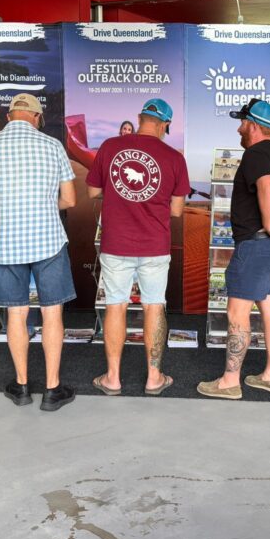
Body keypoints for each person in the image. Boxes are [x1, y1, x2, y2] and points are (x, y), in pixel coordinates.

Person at [0, 93, 77, 411]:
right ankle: (52, 389)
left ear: (9, 117)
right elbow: (70, 200)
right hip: (48, 242)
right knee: (51, 313)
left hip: (6, 245)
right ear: (37, 117)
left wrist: (4, 217)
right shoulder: (52, 146)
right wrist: (44, 207)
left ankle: (20, 387)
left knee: (16, 314)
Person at [86, 98, 189, 396]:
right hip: (155, 245)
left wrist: (119, 196)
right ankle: (154, 378)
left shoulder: (109, 146)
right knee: (154, 306)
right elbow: (177, 211)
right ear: (165, 124)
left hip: (116, 242)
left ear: (140, 117)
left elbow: (93, 190)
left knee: (115, 305)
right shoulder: (174, 157)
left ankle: (113, 378)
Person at [197, 98, 270, 400]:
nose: (239, 129)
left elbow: (266, 186)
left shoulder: (256, 153)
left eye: (242, 123)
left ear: (254, 125)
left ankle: (229, 381)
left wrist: (267, 222)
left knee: (237, 312)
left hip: (257, 245)